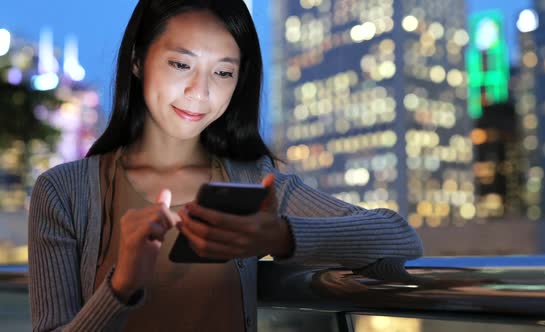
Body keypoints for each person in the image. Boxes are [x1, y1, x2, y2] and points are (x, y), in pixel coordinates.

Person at [27, 0, 423, 331]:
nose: (200, 91)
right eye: (181, 64)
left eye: (222, 72)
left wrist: (278, 236)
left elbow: (400, 238)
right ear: (136, 60)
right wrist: (121, 286)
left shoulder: (254, 181)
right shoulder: (64, 192)